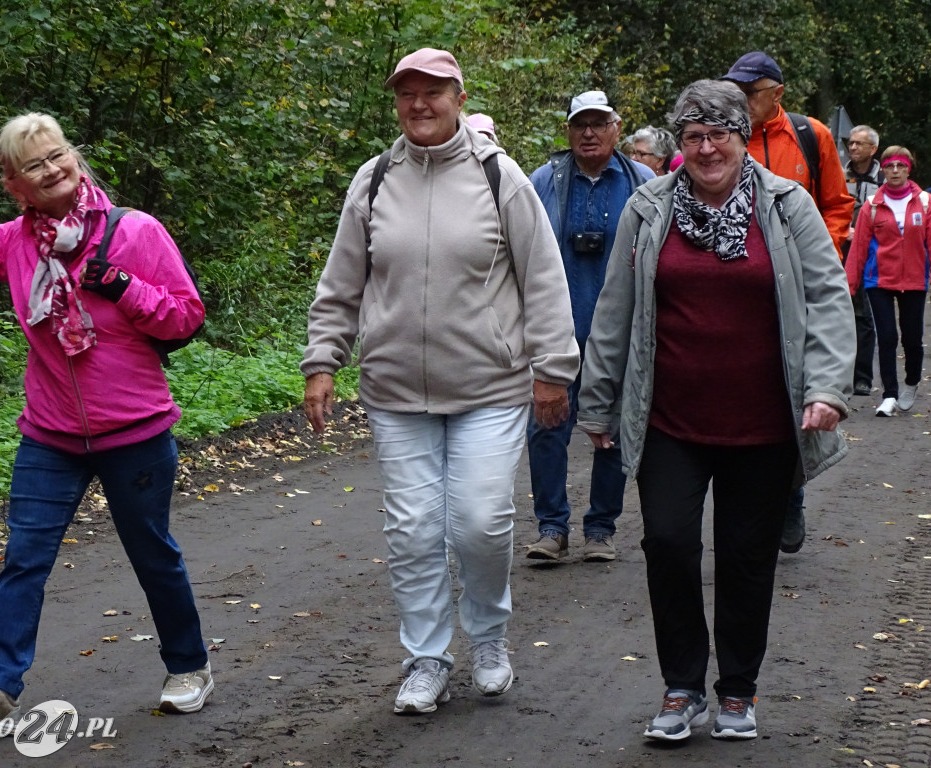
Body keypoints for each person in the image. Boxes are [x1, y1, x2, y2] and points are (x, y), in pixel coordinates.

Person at [0, 114, 212, 724]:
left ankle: (188, 666)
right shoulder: (13, 242)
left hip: (136, 431)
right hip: (50, 434)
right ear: (14, 183)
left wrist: (125, 286)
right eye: (34, 165)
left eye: (57, 156)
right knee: (24, 556)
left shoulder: (135, 231)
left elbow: (186, 317)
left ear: (73, 158)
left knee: (153, 555)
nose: (52, 170)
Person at [300, 48, 579, 715]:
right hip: (396, 391)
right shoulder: (373, 180)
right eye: (407, 95)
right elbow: (342, 282)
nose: (419, 105)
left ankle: (488, 638)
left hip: (489, 383)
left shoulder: (498, 176)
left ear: (458, 96)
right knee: (415, 529)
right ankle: (426, 656)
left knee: (480, 522)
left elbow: (542, 275)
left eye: (433, 93)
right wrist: (322, 361)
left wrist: (553, 370)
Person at [577, 79, 854, 742]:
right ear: (682, 143)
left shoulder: (788, 208)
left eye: (719, 134)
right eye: (694, 136)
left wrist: (827, 389)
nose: (707, 149)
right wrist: (598, 400)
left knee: (744, 555)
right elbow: (614, 310)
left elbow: (826, 300)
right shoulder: (648, 209)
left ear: (741, 138)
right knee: (668, 543)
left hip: (762, 423)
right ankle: (680, 687)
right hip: (670, 416)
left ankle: (735, 689)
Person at [720, 51, 854, 555]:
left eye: (748, 92)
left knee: (789, 389)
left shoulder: (809, 136)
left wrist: (825, 253)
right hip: (736, 284)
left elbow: (838, 204)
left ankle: (789, 500)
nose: (738, 100)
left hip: (795, 285)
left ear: (775, 93)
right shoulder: (723, 135)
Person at [524, 91, 655, 563]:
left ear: (617, 127)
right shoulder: (544, 180)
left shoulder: (643, 182)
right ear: (568, 131)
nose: (589, 133)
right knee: (545, 428)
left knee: (612, 428)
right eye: (580, 124)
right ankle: (551, 528)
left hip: (617, 333)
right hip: (557, 328)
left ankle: (601, 529)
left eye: (599, 123)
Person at [846, 146, 931, 416]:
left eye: (901, 166)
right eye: (890, 166)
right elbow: (858, 248)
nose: (895, 171)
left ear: (909, 169)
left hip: (915, 280)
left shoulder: (925, 203)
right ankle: (889, 395)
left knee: (913, 339)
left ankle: (911, 382)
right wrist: (849, 286)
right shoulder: (871, 206)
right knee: (887, 337)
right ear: (883, 170)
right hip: (879, 279)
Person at [843, 125, 884, 396]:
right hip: (840, 247)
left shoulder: (884, 177)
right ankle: (839, 377)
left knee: (863, 314)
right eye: (851, 143)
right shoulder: (838, 173)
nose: (853, 148)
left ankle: (863, 377)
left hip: (871, 252)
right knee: (836, 310)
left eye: (859, 144)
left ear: (873, 149)